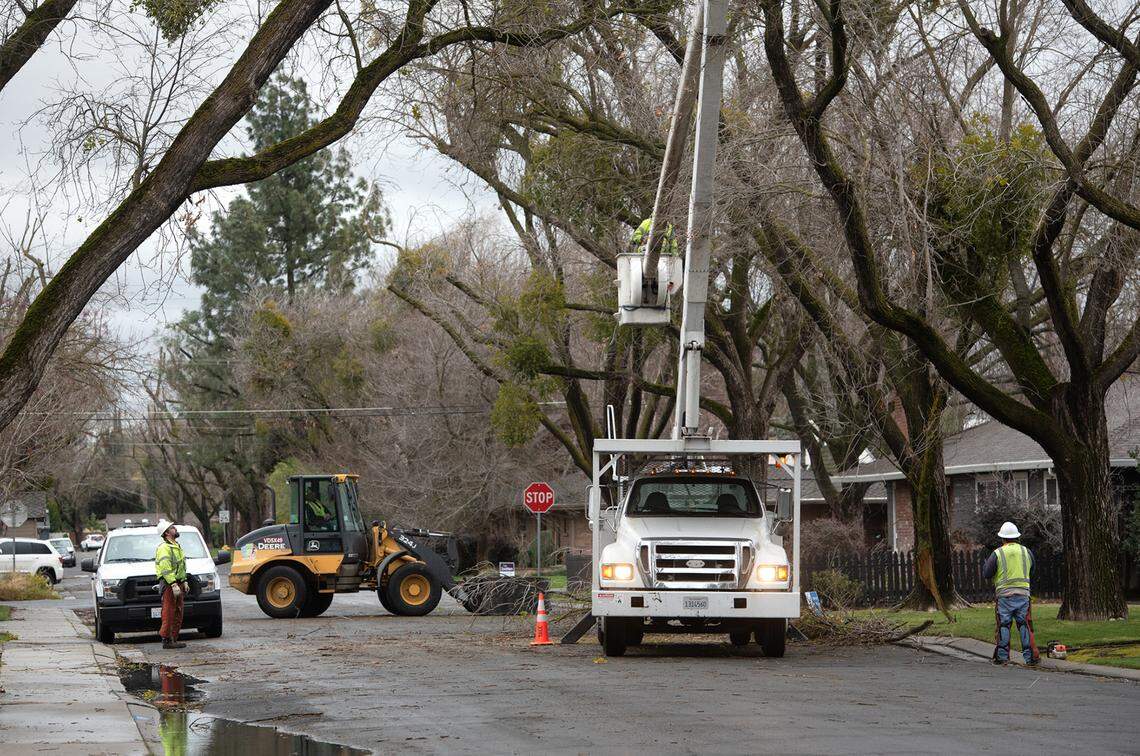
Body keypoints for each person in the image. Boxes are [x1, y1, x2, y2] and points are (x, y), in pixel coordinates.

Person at [981, 521, 1040, 666]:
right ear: (1017, 537)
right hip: (1023, 595)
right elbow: (1032, 571)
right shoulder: (1027, 552)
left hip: (1004, 597)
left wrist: (985, 562)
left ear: (1002, 538)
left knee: (1004, 625)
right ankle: (1030, 658)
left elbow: (987, 574)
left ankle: (1002, 657)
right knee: (1025, 625)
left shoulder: (998, 553)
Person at [155, 520, 188, 650]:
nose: (175, 528)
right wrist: (173, 583)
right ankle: (167, 639)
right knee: (169, 611)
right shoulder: (164, 548)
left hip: (177, 582)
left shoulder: (176, 546)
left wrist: (184, 580)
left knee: (178, 611)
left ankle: (173, 638)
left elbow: (181, 566)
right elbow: (165, 568)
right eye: (172, 527)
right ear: (167, 533)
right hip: (170, 584)